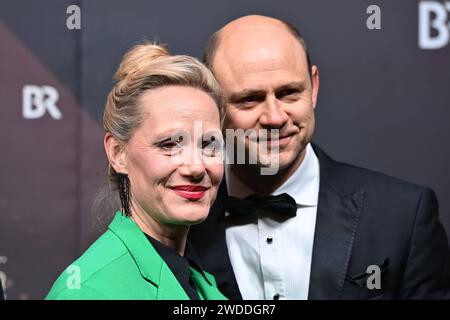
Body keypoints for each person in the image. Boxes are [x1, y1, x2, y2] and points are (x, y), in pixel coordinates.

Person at [188, 15, 450, 300]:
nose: (275, 118)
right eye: (250, 99)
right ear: (211, 103)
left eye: (289, 93)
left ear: (313, 87)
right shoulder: (178, 221)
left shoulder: (403, 216)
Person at [46, 43, 227, 300]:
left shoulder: (201, 283)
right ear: (118, 154)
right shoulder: (85, 292)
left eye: (209, 145)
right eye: (170, 145)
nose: (196, 167)